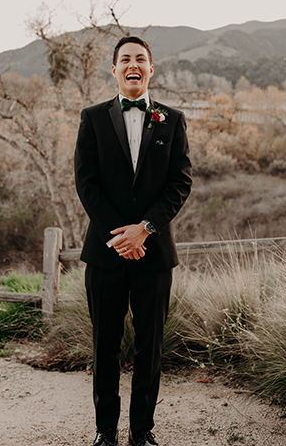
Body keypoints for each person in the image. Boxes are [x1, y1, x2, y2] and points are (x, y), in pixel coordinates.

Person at [74, 35, 192, 446]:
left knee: (150, 347)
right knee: (104, 346)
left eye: (140, 59)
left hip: (154, 252)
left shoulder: (172, 120)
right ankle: (105, 432)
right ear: (114, 69)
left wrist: (146, 228)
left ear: (151, 69)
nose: (133, 65)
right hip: (105, 255)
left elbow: (180, 182)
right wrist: (121, 237)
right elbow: (86, 183)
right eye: (125, 59)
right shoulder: (92, 118)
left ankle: (142, 432)